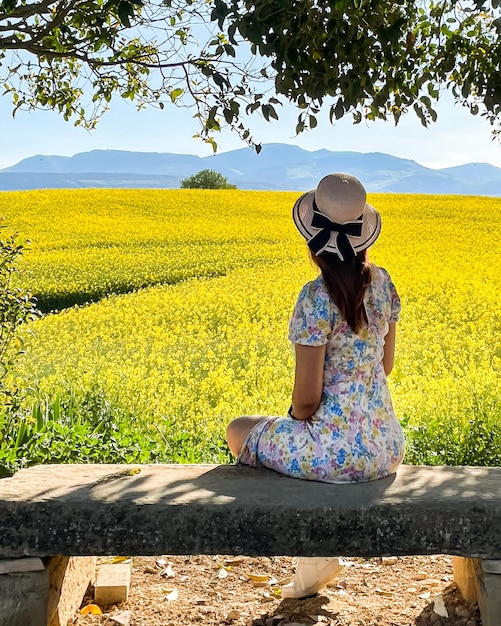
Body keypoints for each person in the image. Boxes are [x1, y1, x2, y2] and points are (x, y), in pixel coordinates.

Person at [226, 172, 405, 598]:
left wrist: (291, 421)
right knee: (282, 439)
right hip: (386, 447)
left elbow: (306, 403)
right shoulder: (384, 286)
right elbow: (387, 364)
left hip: (334, 454)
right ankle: (316, 561)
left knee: (240, 431)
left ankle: (315, 554)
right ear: (364, 237)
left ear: (312, 242)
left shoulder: (314, 297)